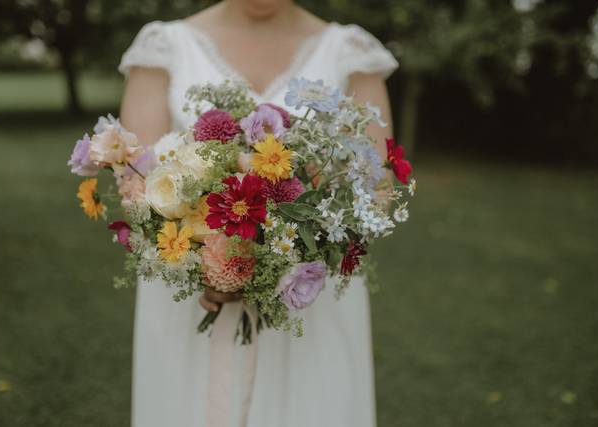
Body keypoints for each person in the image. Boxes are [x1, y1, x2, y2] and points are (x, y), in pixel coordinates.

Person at [118, 1, 398, 426]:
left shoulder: (351, 52)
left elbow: (378, 188)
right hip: (191, 298)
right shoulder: (164, 46)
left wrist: (295, 249)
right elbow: (136, 181)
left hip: (309, 301)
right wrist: (207, 261)